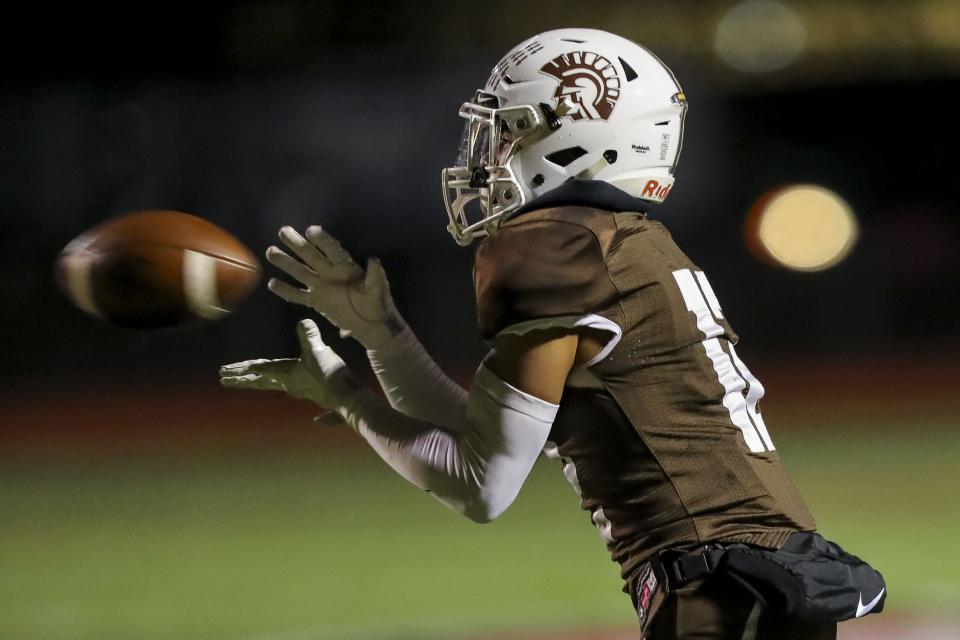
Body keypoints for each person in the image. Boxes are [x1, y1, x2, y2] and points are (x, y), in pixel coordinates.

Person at [220, 28, 884, 639]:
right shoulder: (618, 240)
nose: (490, 154)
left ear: (578, 140)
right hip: (748, 578)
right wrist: (381, 334)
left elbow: (481, 485)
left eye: (509, 132)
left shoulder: (553, 245)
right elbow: (489, 438)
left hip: (719, 586)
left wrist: (348, 400)